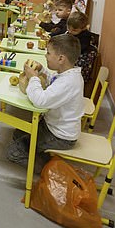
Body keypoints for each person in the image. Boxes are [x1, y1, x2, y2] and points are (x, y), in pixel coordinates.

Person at [7, 34, 84, 172]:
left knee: (13, 152)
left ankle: (53, 170)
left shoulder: (68, 82)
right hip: (52, 125)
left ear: (61, 58)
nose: (45, 56)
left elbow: (40, 101)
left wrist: (33, 78)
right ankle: (41, 153)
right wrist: (42, 71)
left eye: (48, 53)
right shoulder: (67, 74)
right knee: (18, 133)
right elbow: (53, 80)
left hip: (59, 136)